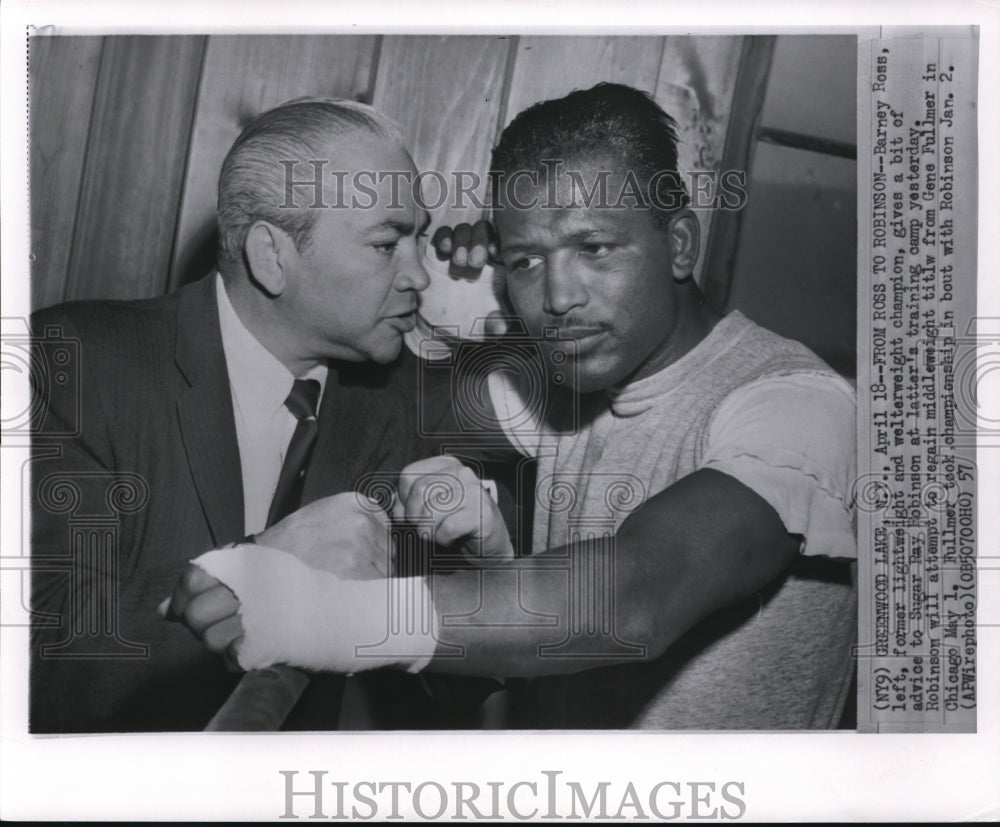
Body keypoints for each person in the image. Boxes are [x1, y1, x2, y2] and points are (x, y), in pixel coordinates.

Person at [167, 83, 858, 730]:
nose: (558, 297)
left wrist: (324, 615)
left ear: (678, 244)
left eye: (594, 247)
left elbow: (636, 598)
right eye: (526, 261)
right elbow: (397, 386)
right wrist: (442, 274)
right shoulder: (567, 387)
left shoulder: (796, 405)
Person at [29, 97, 435, 732]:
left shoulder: (398, 396)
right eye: (388, 244)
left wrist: (481, 559)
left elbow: (437, 685)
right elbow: (37, 660)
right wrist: (262, 569)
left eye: (421, 237)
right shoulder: (71, 367)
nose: (420, 275)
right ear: (271, 257)